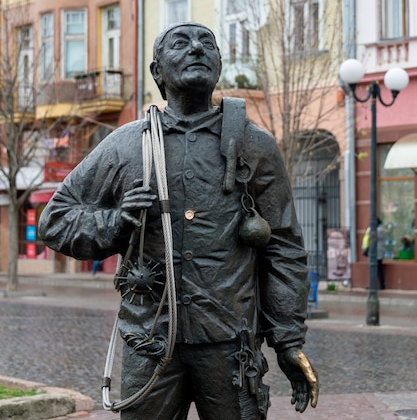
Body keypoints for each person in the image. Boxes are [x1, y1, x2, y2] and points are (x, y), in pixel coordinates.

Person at [38, 22, 318, 419]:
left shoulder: (254, 145)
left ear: (219, 64)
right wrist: (117, 223)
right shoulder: (127, 144)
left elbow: (284, 247)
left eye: (207, 44)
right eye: (181, 44)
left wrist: (288, 340)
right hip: (150, 341)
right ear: (157, 72)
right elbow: (56, 220)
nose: (197, 49)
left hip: (228, 343)